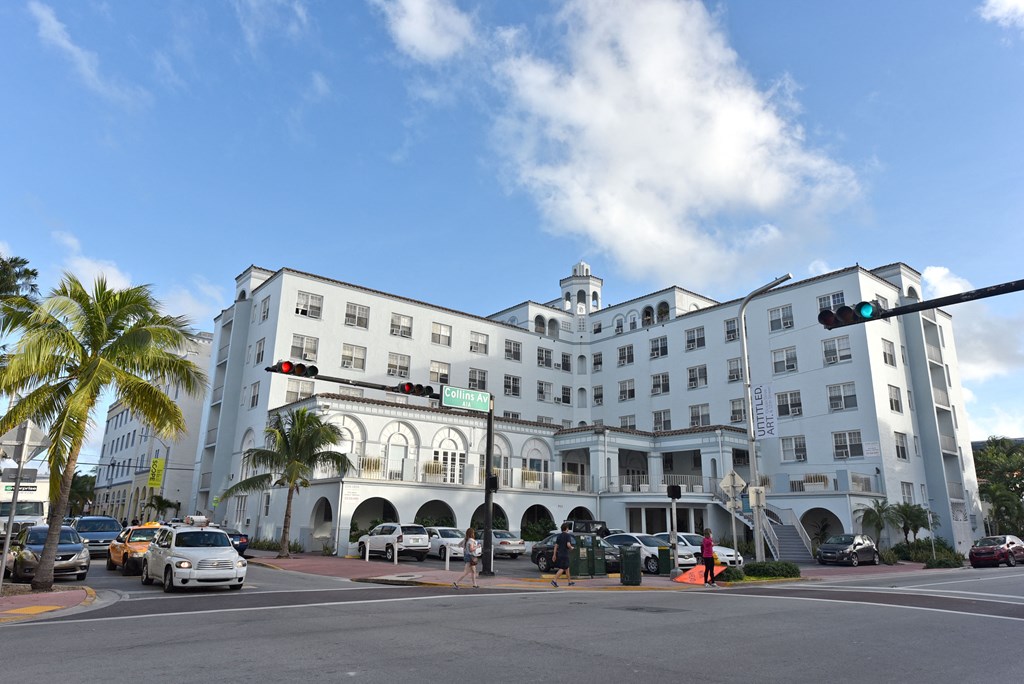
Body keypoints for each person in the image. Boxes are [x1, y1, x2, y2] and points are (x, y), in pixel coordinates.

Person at [550, 522, 576, 587]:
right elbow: (568, 544)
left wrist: (554, 555)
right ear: (566, 529)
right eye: (568, 528)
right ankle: (554, 580)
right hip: (565, 554)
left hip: (560, 554)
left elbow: (556, 546)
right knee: (562, 568)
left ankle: (569, 582)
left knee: (567, 568)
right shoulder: (567, 535)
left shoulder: (559, 536)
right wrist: (571, 548)